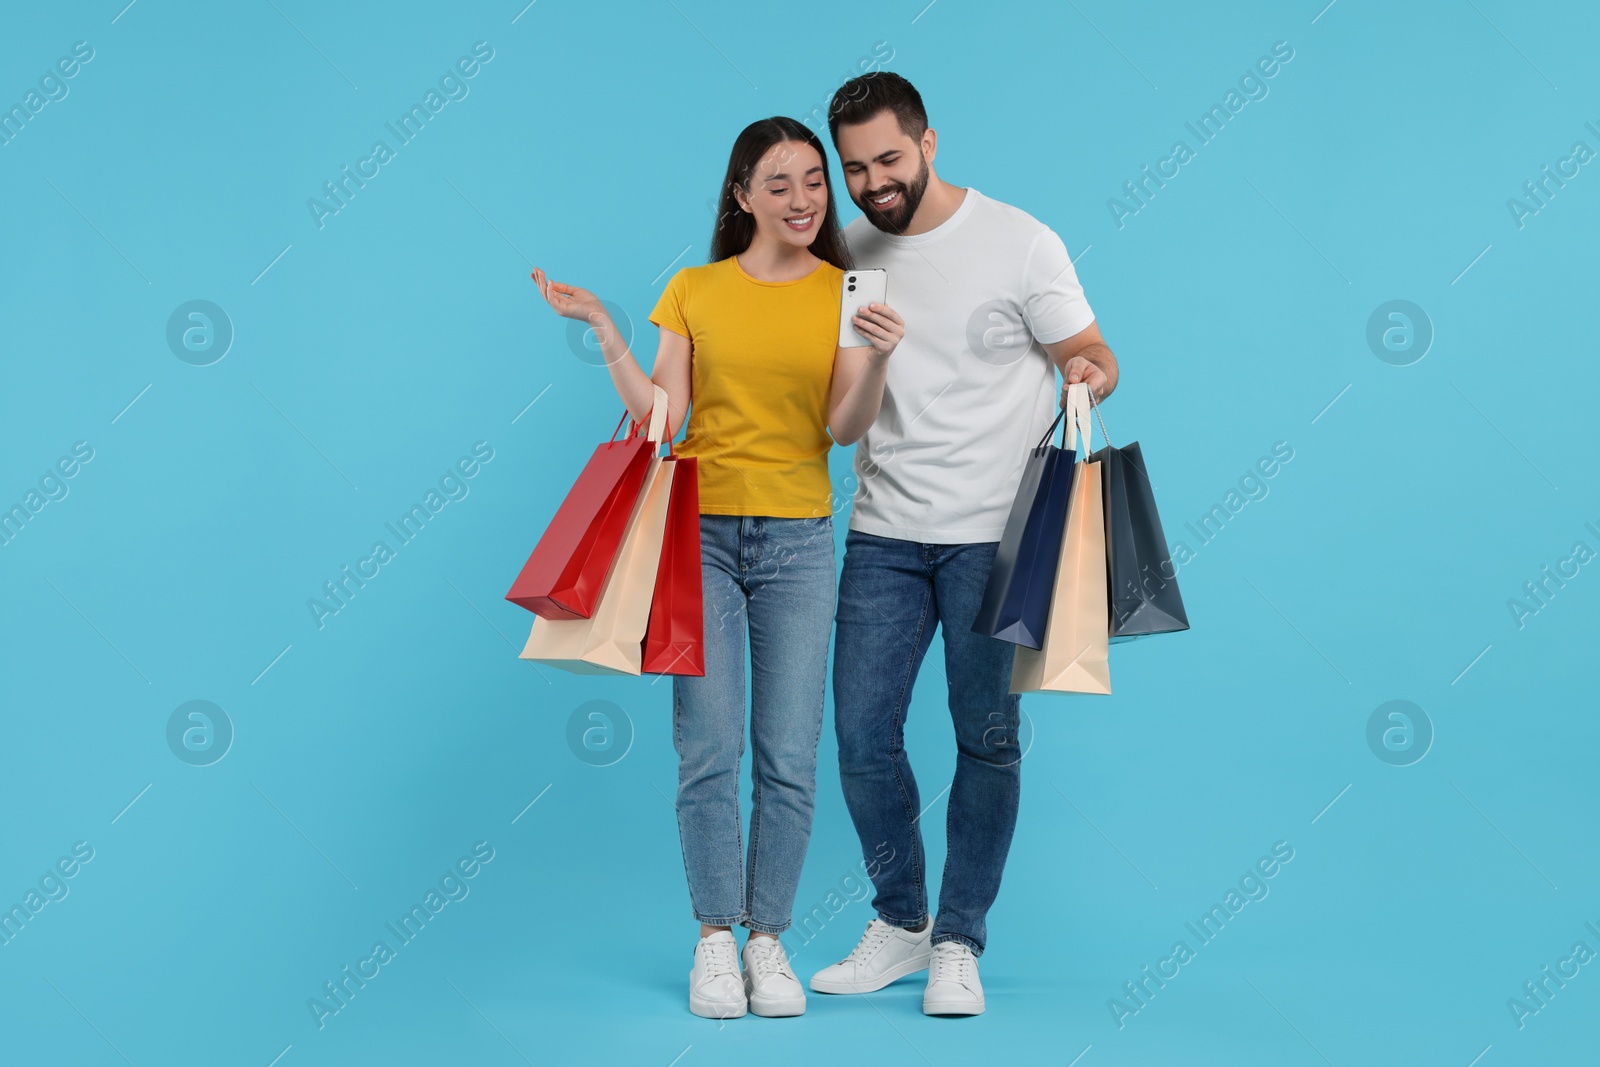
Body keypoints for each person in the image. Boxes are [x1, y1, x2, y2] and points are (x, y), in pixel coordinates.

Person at [531, 116, 904, 1020]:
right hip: (698, 536)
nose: (803, 199)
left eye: (814, 180)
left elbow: (844, 428)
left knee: (788, 755)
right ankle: (713, 940)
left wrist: (881, 356)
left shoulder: (850, 290)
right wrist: (608, 334)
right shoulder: (694, 288)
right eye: (778, 183)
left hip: (801, 543)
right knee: (707, 749)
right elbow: (664, 416)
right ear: (741, 196)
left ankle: (767, 939)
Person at [808, 73, 1120, 1016]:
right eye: (855, 168)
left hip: (997, 536)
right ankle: (900, 922)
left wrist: (1082, 374)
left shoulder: (1020, 240)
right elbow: (843, 407)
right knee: (863, 738)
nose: (872, 184)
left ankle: (958, 940)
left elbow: (1100, 355)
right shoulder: (849, 255)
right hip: (884, 533)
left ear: (929, 142)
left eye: (889, 160)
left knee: (987, 741)